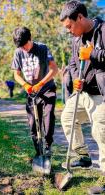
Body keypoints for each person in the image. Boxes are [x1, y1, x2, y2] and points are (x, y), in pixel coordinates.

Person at [59, 1, 105, 193]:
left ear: (80, 17)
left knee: (100, 132)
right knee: (67, 118)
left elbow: (94, 56)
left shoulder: (103, 30)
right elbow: (73, 64)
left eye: (70, 26)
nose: (69, 31)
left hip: (102, 95)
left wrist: (92, 54)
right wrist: (76, 81)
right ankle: (84, 156)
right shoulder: (76, 39)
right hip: (84, 92)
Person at [11, 27, 58, 160]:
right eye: (21, 47)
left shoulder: (43, 48)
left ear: (30, 39)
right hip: (31, 93)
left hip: (48, 89)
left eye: (25, 45)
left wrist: (40, 84)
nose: (24, 49)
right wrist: (25, 84)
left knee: (48, 118)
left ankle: (48, 146)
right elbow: (16, 74)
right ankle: (38, 151)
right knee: (33, 124)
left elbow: (54, 69)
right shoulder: (18, 52)